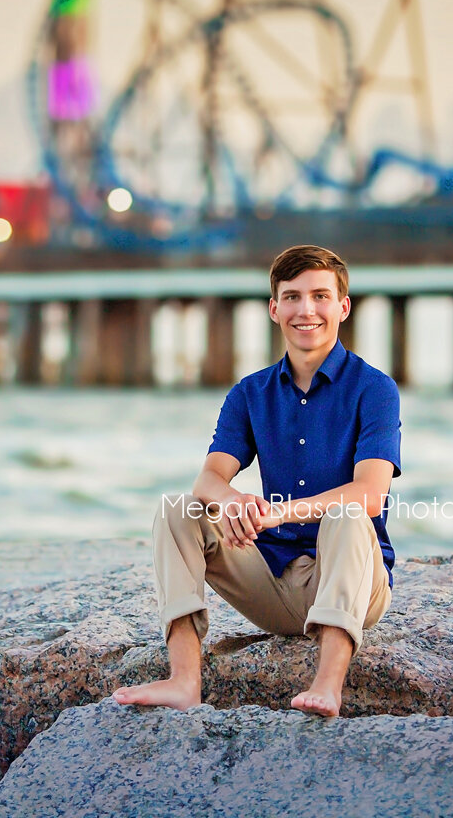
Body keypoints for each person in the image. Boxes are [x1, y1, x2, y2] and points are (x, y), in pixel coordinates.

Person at [112, 244, 400, 717]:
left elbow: (370, 494)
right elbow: (209, 478)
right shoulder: (250, 393)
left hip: (352, 581)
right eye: (292, 297)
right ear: (274, 308)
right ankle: (184, 680)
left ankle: (328, 684)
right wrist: (231, 501)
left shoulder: (374, 389)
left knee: (347, 515)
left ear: (343, 307)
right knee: (176, 509)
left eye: (320, 296)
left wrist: (274, 513)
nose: (306, 310)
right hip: (271, 581)